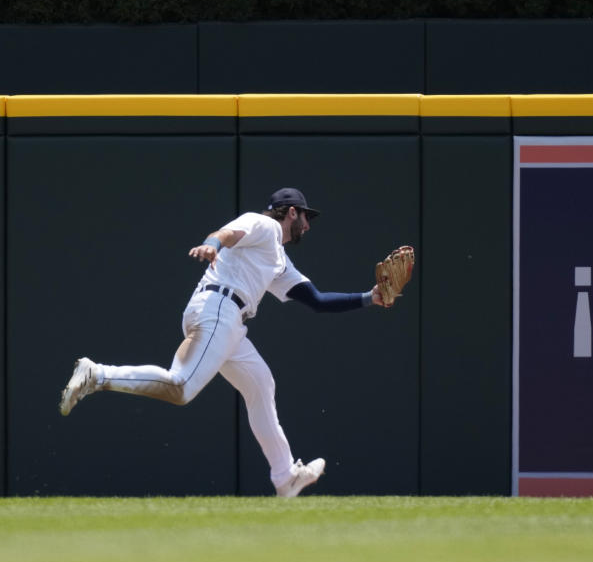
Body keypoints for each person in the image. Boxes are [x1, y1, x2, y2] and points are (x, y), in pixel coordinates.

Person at [58, 187, 390, 497]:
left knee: (261, 385)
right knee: (181, 387)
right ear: (291, 213)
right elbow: (226, 234)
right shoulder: (264, 224)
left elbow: (316, 300)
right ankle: (97, 374)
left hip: (228, 319)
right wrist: (212, 245)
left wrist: (369, 298)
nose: (308, 225)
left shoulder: (277, 257)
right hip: (219, 309)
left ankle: (285, 477)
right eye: (306, 217)